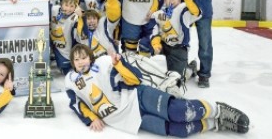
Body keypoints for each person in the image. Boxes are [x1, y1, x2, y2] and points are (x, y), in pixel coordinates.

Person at [64, 44, 250, 136]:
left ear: (90, 57)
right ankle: (216, 124)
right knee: (178, 130)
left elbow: (135, 78)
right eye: (77, 59)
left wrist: (119, 65)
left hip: (136, 97)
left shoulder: (103, 62)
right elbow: (77, 104)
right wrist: (92, 117)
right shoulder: (70, 80)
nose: (81, 62)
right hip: (125, 119)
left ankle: (219, 109)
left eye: (84, 58)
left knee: (179, 111)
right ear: (72, 63)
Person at [151, 0, 201, 82]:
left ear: (179, 0)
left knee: (176, 80)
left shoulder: (184, 10)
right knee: (144, 47)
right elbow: (154, 31)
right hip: (164, 45)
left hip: (179, 48)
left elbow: (196, 12)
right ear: (165, 1)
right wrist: (155, 45)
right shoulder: (159, 14)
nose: (171, 0)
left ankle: (190, 68)